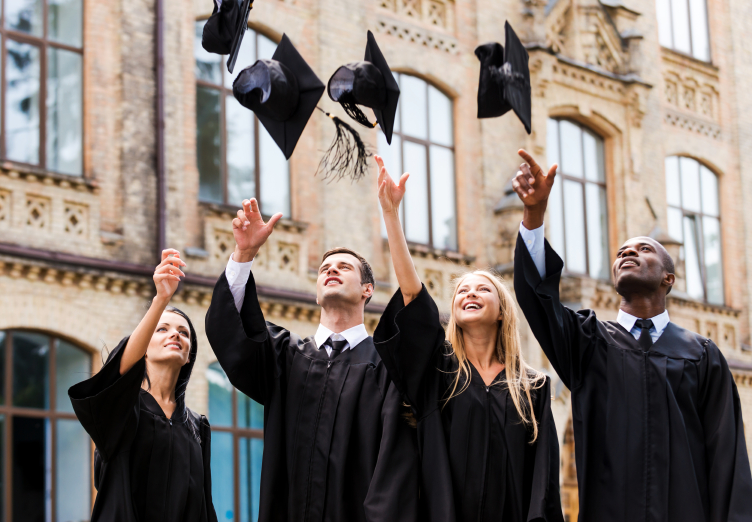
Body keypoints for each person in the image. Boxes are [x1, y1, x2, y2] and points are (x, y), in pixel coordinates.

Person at [511, 149, 752, 522]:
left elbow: (727, 457)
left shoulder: (701, 355)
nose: (628, 253)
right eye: (622, 251)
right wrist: (534, 214)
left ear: (668, 278)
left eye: (644, 250)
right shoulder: (589, 343)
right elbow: (537, 299)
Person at [371, 156, 563, 522]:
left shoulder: (532, 387)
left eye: (483, 290)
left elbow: (543, 483)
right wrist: (391, 215)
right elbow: (413, 296)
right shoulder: (439, 373)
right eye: (462, 291)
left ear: (503, 310)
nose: (470, 294)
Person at [204, 198, 418, 522]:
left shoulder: (388, 366)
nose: (331, 270)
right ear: (317, 293)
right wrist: (243, 255)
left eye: (344, 267)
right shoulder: (286, 359)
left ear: (367, 289)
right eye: (324, 269)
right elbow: (232, 332)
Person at [69, 249, 217, 522]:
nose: (175, 334)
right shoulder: (120, 410)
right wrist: (161, 299)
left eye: (183, 332)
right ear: (143, 349)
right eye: (162, 329)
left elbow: (204, 506)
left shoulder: (198, 427)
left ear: (188, 355)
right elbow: (120, 372)